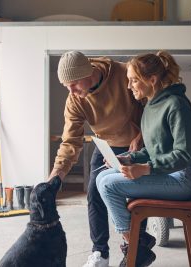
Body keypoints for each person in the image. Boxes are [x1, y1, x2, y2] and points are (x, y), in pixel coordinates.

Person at [96, 50, 191, 267]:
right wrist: (128, 157)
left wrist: (144, 169)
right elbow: (154, 150)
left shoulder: (177, 105)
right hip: (166, 174)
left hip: (182, 180)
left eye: (134, 80)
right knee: (102, 177)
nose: (129, 86)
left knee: (108, 185)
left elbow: (182, 155)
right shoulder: (151, 106)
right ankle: (137, 244)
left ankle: (134, 246)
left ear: (152, 80)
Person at [49, 51, 144, 267]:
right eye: (66, 86)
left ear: (89, 72)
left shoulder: (123, 73)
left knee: (136, 198)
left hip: (135, 143)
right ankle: (100, 253)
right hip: (106, 145)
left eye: (73, 84)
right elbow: (70, 141)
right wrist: (55, 178)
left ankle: (135, 251)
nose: (71, 91)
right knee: (94, 193)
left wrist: (142, 136)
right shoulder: (74, 100)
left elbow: (151, 105)